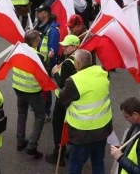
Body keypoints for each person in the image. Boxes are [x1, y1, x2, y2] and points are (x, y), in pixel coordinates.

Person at [59, 49, 112, 174]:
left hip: (84, 133)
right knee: (98, 162)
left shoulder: (74, 80)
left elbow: (63, 98)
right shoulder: (102, 72)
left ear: (77, 63)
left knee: (75, 165)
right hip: (103, 128)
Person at [46, 34, 80, 166]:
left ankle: (58, 155)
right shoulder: (80, 59)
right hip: (74, 100)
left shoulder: (67, 63)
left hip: (62, 101)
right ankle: (69, 150)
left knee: (58, 127)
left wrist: (55, 72)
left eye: (66, 46)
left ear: (74, 46)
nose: (63, 47)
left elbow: (63, 84)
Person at [13, 30, 46, 160]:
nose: (39, 42)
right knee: (40, 116)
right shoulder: (37, 56)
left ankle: (20, 141)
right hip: (32, 90)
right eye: (38, 40)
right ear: (34, 42)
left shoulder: (18, 50)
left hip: (18, 87)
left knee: (22, 113)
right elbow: (44, 74)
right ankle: (32, 145)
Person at [33, 3, 59, 118]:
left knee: (45, 88)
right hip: (37, 60)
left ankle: (46, 111)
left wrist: (49, 64)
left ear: (46, 14)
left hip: (45, 63)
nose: (37, 13)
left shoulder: (52, 30)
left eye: (40, 12)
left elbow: (53, 50)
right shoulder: (38, 24)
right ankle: (38, 106)